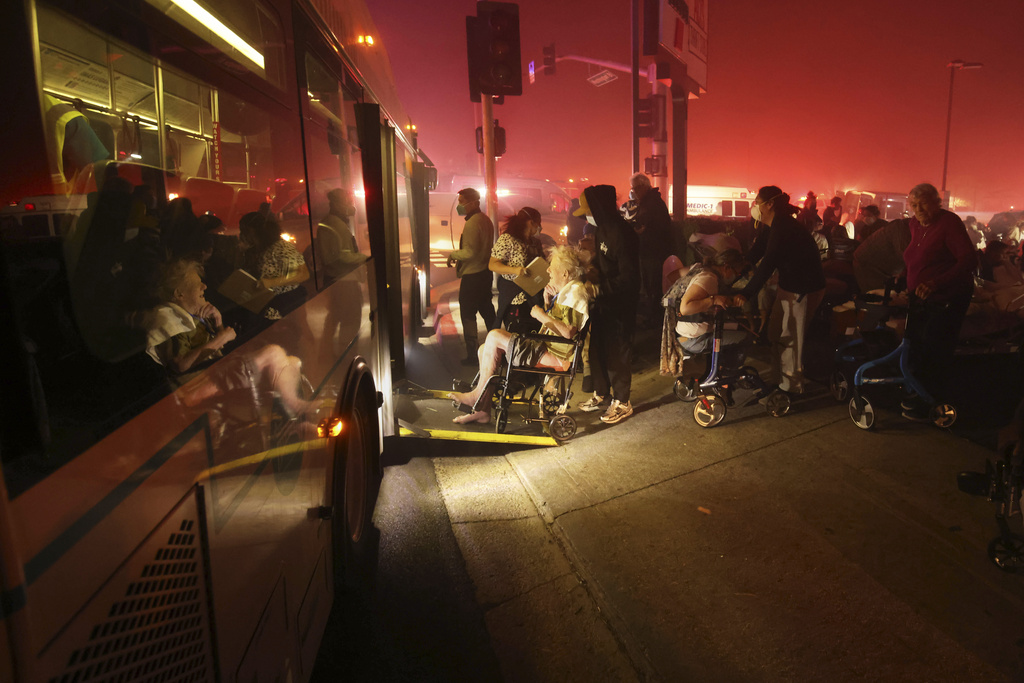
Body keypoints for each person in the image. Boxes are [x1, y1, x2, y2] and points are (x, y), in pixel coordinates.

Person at [140, 259, 310, 417]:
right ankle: (294, 406)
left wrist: (218, 322)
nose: (204, 286)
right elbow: (180, 365)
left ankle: (290, 415)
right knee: (273, 353)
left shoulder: (195, 314)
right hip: (198, 383)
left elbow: (223, 345)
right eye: (197, 284)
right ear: (179, 294)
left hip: (216, 370)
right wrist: (221, 337)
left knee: (293, 363)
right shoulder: (166, 318)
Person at [448, 245, 594, 424]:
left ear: (565, 273)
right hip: (546, 349)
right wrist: (547, 303)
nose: (548, 270)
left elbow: (568, 333)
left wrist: (541, 315)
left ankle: (476, 396)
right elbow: (561, 326)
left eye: (552, 267)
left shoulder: (575, 292)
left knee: (494, 335)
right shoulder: (568, 291)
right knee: (484, 349)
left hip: (553, 356)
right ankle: (482, 411)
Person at [733, 186, 826, 395]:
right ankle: (778, 380)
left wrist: (746, 293)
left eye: (757, 202)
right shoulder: (774, 225)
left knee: (790, 339)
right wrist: (744, 264)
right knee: (775, 333)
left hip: (803, 288)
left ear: (770, 204)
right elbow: (760, 248)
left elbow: (769, 262)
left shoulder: (784, 227)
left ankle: (791, 388)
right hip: (789, 286)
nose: (755, 207)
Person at [899, 182, 977, 421]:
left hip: (946, 297)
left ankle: (932, 400)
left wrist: (936, 283)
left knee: (935, 348)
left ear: (936, 203)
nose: (918, 209)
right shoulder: (914, 224)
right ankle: (918, 391)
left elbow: (968, 260)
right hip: (920, 297)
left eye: (923, 203)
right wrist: (904, 277)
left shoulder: (949, 223)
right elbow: (917, 257)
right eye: (913, 204)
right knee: (915, 345)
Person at [574, 185, 640, 424]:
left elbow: (630, 277)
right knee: (598, 349)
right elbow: (603, 264)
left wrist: (601, 288)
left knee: (617, 352)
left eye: (588, 211)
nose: (586, 216)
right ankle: (602, 393)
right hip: (603, 301)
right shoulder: (601, 229)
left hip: (621, 302)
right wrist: (590, 272)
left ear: (599, 208)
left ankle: (622, 401)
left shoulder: (622, 233)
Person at [660, 249, 747, 378]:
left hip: (681, 333)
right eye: (736, 273)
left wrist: (687, 290)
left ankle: (716, 369)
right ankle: (725, 375)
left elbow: (672, 276)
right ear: (726, 267)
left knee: (734, 328)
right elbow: (685, 308)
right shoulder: (709, 278)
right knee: (744, 337)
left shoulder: (697, 268)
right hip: (694, 338)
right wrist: (712, 300)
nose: (736, 276)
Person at [447, 188, 497, 365]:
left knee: (468, 315)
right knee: (487, 311)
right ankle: (499, 348)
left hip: (472, 276)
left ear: (474, 203)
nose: (459, 205)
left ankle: (472, 354)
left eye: (462, 202)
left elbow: (470, 252)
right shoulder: (485, 220)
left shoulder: (473, 223)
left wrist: (453, 255)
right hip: (485, 274)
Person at [239, 211, 310, 320]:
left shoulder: (282, 247)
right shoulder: (256, 250)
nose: (241, 234)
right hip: (269, 302)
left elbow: (302, 274)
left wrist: (269, 283)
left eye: (243, 230)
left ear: (251, 230)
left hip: (287, 301)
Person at [629, 172, 674, 326]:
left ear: (643, 186)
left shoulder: (651, 203)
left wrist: (636, 230)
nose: (634, 191)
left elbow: (646, 226)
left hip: (653, 252)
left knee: (653, 285)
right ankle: (655, 317)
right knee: (652, 285)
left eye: (635, 188)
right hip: (652, 251)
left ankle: (655, 319)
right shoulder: (651, 201)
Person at [490, 207, 545, 333]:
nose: (540, 227)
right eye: (538, 223)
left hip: (534, 297)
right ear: (531, 222)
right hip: (515, 299)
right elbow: (493, 264)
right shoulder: (508, 239)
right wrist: (515, 270)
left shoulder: (535, 242)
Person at [316, 188, 367, 284]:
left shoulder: (331, 221)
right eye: (347, 202)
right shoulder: (336, 224)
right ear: (336, 205)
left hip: (338, 277)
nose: (350, 206)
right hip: (342, 279)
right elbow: (343, 255)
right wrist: (364, 258)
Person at [852, 218, 912, 293]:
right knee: (878, 296)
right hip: (870, 268)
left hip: (880, 268)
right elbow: (911, 260)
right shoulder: (904, 229)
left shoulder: (908, 227)